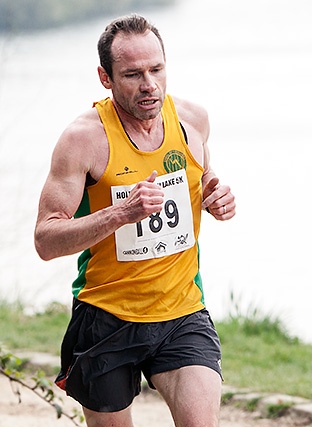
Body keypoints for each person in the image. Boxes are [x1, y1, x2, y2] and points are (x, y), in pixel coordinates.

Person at [33, 14, 235, 427]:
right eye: (133, 74)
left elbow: (203, 177)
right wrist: (121, 213)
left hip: (181, 311)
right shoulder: (83, 140)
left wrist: (216, 196)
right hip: (107, 316)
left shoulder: (193, 120)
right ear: (105, 78)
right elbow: (46, 240)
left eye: (157, 69)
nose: (150, 85)